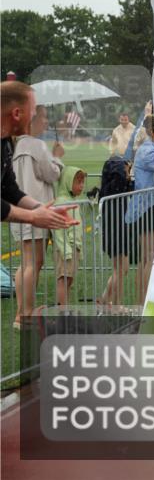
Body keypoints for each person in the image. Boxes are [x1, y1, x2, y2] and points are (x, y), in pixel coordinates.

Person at [11, 105, 65, 327]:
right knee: (34, 261)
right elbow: (51, 174)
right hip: (36, 211)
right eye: (43, 118)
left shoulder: (17, 145)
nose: (46, 122)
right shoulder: (35, 145)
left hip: (20, 210)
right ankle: (25, 314)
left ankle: (21, 312)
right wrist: (58, 157)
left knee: (26, 262)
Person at [1, 81, 76, 230]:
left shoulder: (6, 142)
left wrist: (42, 209)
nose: (34, 115)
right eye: (33, 111)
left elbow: (9, 189)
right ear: (16, 113)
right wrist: (33, 216)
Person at [125, 115, 154, 304]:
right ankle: (143, 302)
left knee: (147, 258)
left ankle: (141, 302)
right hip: (146, 209)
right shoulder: (149, 151)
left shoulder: (151, 148)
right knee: (150, 257)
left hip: (148, 208)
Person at [50, 167, 87, 307]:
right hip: (66, 249)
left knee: (68, 280)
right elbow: (58, 230)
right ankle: (62, 311)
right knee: (63, 279)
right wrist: (65, 249)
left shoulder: (71, 200)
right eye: (78, 182)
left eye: (83, 182)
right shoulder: (61, 202)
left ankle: (65, 308)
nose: (82, 186)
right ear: (67, 182)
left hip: (73, 248)